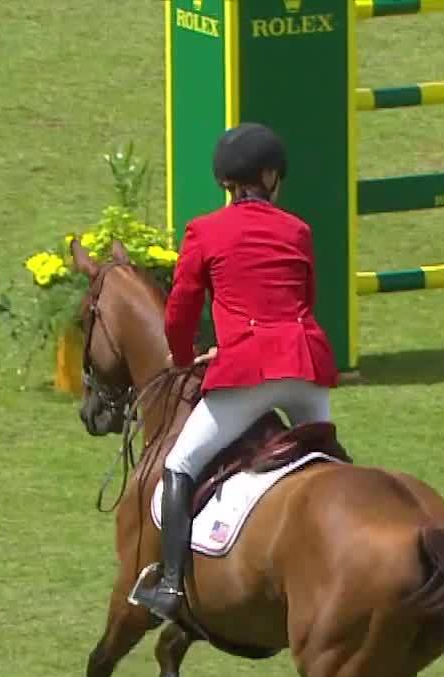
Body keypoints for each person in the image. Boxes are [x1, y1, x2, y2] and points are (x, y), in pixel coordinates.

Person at [137, 122, 340, 625]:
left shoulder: (205, 231)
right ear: (270, 177)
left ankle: (169, 584)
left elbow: (180, 310)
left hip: (248, 369)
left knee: (180, 464)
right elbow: (306, 298)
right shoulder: (298, 229)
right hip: (306, 365)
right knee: (331, 460)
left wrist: (186, 356)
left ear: (225, 182)